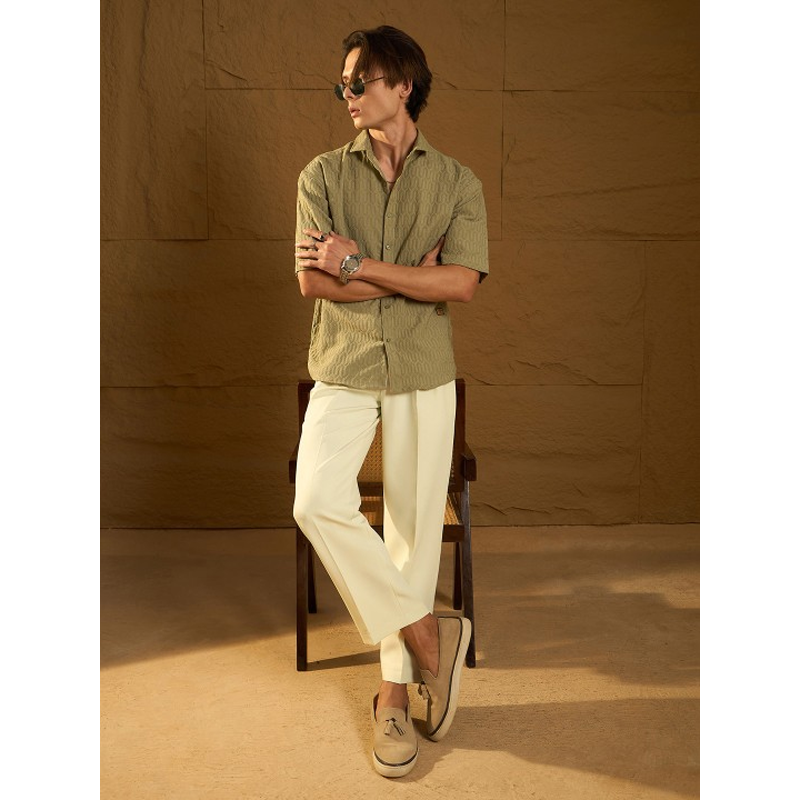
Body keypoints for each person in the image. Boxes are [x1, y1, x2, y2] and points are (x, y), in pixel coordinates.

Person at [292, 24, 489, 778]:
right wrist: (410, 276)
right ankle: (427, 632)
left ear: (402, 85)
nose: (347, 94)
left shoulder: (457, 183)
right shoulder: (320, 176)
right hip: (342, 364)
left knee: (409, 532)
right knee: (317, 500)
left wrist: (359, 264)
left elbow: (460, 284)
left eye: (360, 81)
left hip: (421, 369)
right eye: (342, 83)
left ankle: (394, 699)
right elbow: (312, 281)